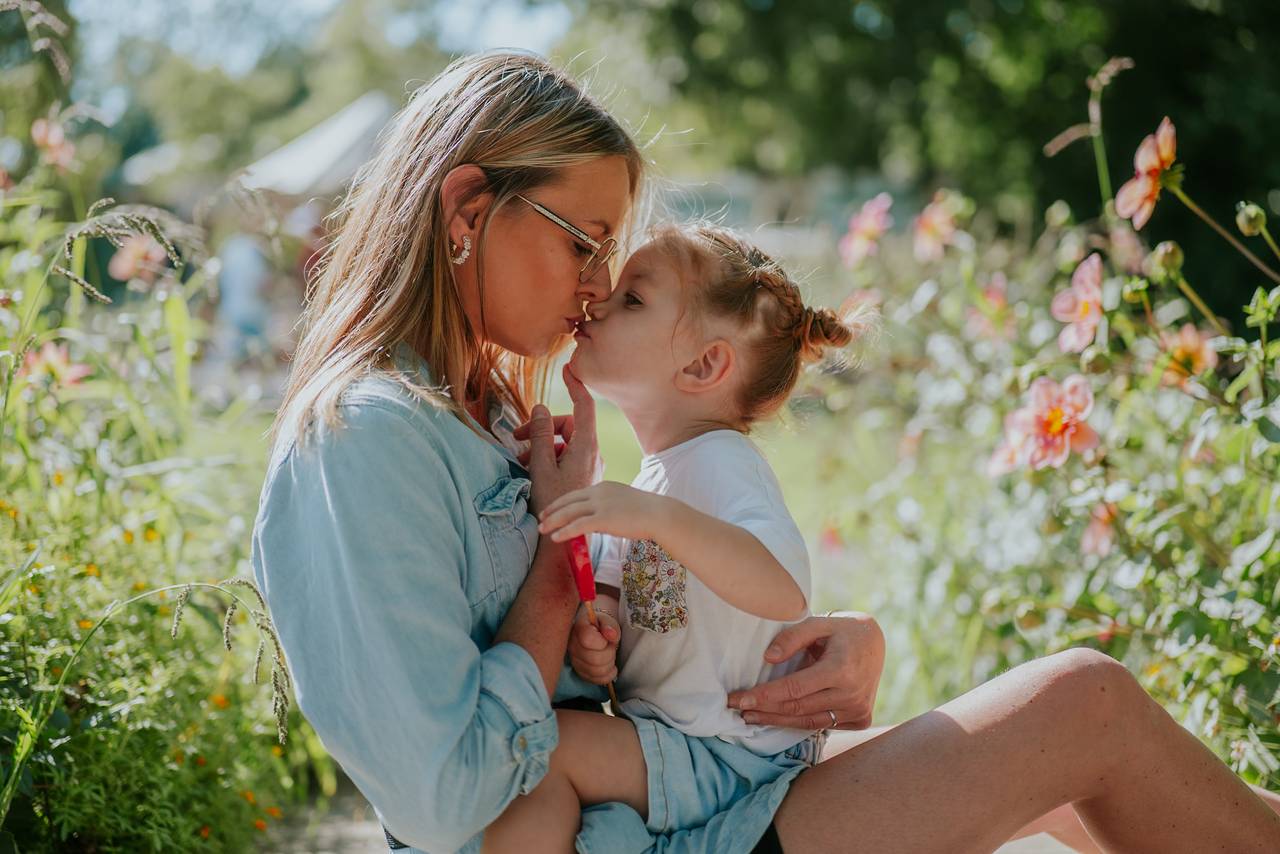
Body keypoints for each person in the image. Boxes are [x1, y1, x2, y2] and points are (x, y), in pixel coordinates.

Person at [250, 50, 1280, 854]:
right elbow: (444, 797)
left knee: (1070, 743)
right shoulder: (364, 439)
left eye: (613, 259)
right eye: (583, 242)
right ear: (469, 210)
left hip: (670, 805)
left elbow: (651, 635)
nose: (597, 285)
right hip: (650, 827)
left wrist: (835, 640)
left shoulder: (484, 413)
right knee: (1080, 707)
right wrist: (565, 567)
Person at [482, 224, 876, 853]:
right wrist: (598, 633)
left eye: (633, 299)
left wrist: (655, 517)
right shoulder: (659, 476)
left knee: (536, 749)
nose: (597, 302)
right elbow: (634, 593)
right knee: (538, 755)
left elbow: (783, 586)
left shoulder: (723, 462)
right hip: (683, 747)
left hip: (733, 753)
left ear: (702, 365)